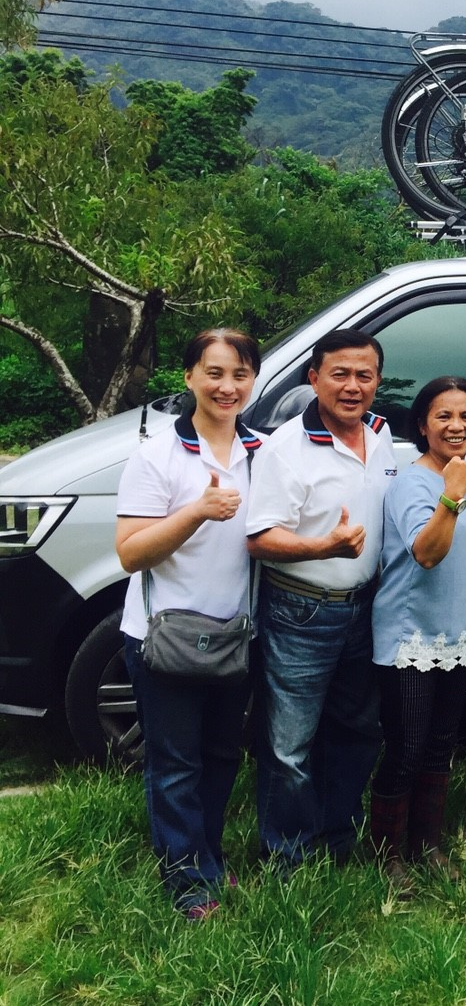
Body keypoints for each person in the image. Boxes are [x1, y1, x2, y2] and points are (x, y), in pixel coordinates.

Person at [115, 328, 262, 920]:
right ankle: (187, 882)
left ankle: (207, 858)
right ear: (190, 378)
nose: (227, 387)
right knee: (176, 763)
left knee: (223, 754)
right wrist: (197, 511)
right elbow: (130, 552)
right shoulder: (157, 455)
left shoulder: (264, 450)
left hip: (234, 633)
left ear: (253, 380)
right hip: (164, 635)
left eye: (239, 375)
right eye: (215, 373)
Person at [246, 328, 395, 869]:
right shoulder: (284, 449)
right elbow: (260, 539)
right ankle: (287, 857)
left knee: (357, 731)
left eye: (364, 375)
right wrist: (323, 545)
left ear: (377, 381)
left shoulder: (381, 436)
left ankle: (336, 840)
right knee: (290, 744)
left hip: (365, 608)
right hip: (301, 609)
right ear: (314, 380)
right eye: (340, 374)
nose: (352, 386)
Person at [369, 376, 466, 889]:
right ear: (422, 425)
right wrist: (452, 496)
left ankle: (428, 844)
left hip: (459, 632)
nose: (456, 426)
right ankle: (388, 855)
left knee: (441, 743)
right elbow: (426, 552)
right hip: (412, 635)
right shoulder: (413, 482)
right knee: (406, 746)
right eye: (443, 416)